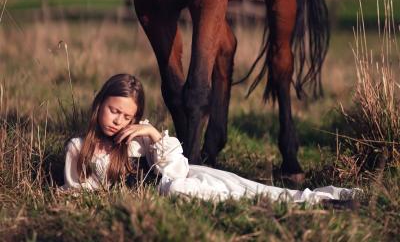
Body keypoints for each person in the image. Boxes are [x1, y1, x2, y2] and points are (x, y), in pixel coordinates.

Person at [63, 73, 357, 204]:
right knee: (179, 190)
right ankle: (315, 204)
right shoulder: (78, 149)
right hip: (174, 192)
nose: (119, 121)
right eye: (114, 111)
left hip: (192, 177)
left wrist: (152, 134)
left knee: (255, 190)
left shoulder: (139, 139)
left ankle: (326, 198)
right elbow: (78, 191)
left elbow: (177, 169)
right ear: (99, 103)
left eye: (128, 117)